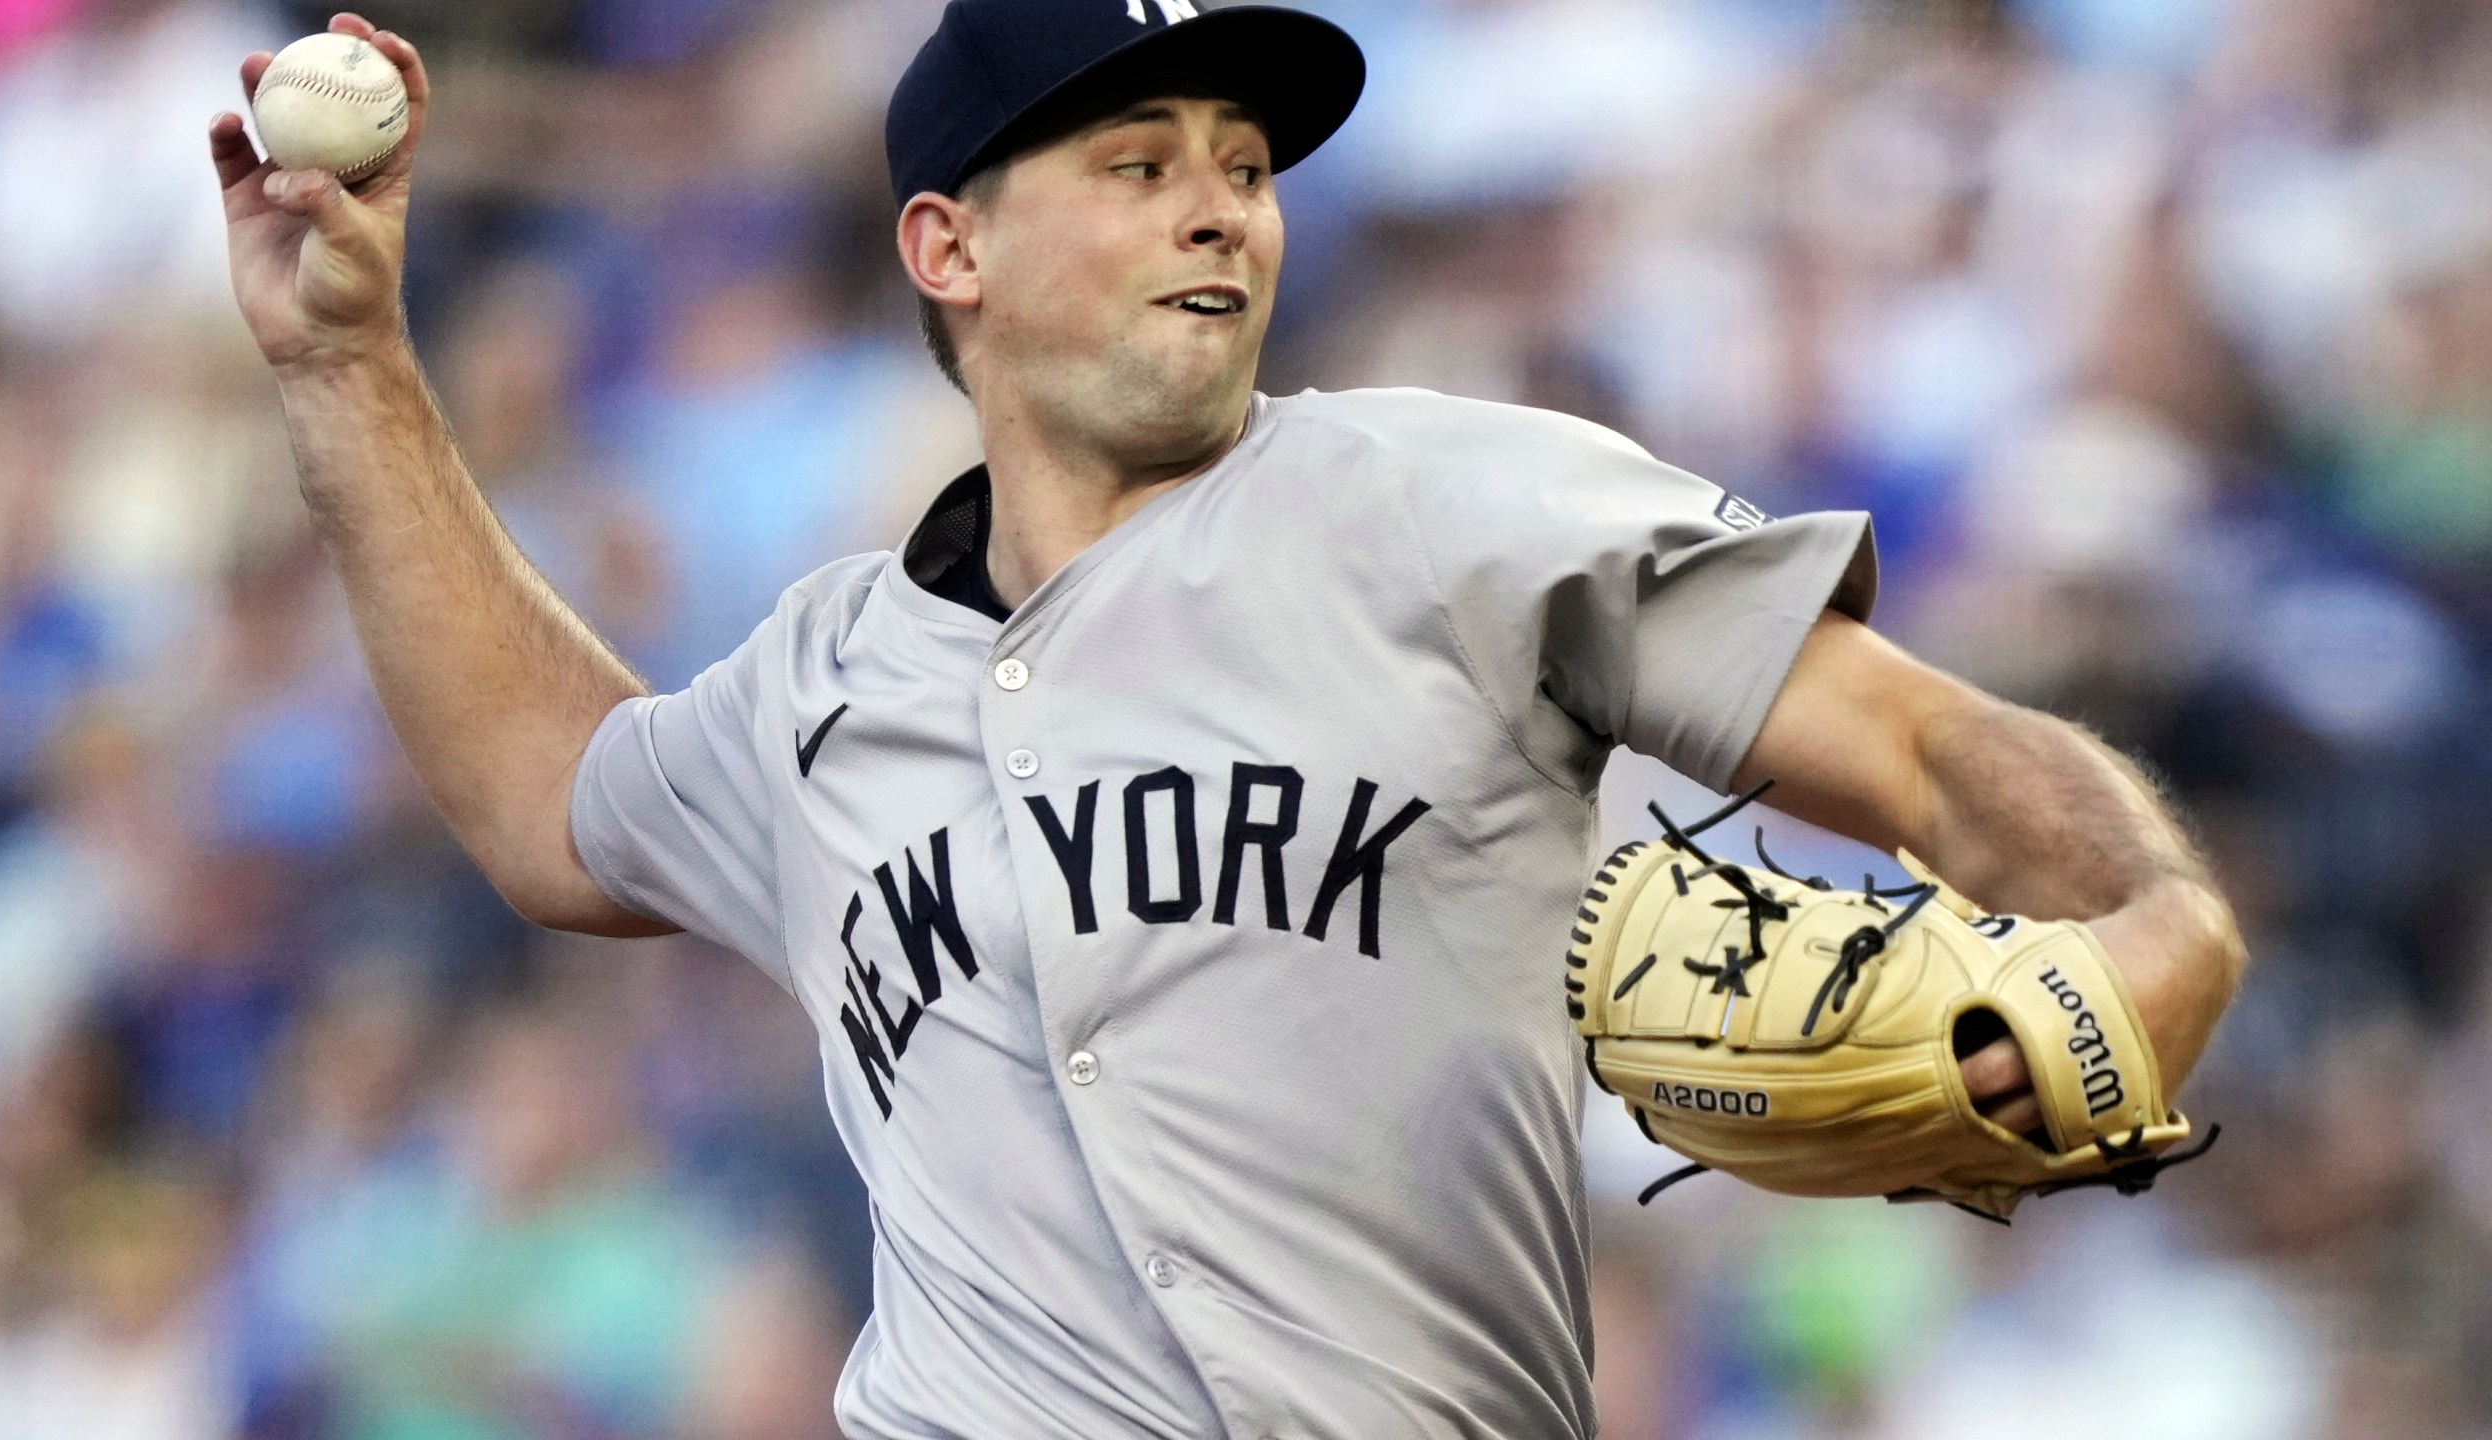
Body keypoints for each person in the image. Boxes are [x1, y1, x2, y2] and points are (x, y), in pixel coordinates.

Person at [208, 3, 2247, 1435]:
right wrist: (344, 362)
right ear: (950, 247)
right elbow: (546, 800)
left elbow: (1921, 750)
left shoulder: (1443, 497)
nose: (1222, 208)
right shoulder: (817, 687)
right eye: (1138, 160)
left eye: (1244, 165)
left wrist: (2156, 933)